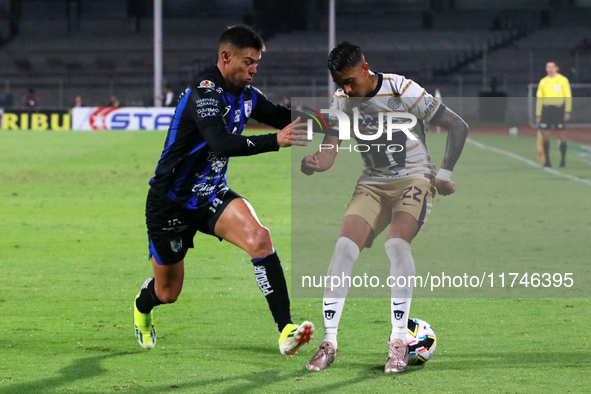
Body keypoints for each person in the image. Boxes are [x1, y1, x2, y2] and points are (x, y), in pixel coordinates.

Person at [133, 25, 314, 357]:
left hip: (211, 194)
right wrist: (276, 141)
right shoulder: (203, 93)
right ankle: (142, 307)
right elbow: (219, 141)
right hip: (170, 202)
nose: (254, 69)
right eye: (248, 62)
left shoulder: (248, 96)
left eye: (257, 63)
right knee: (168, 292)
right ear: (225, 57)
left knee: (260, 238)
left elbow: (285, 116)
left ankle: (286, 330)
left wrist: (334, 117)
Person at [301, 42, 469, 374]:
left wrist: (444, 175)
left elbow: (457, 125)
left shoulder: (401, 89)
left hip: (415, 179)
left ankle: (398, 343)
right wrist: (315, 163)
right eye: (340, 83)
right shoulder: (342, 100)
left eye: (350, 81)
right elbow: (330, 149)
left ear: (365, 68)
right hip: (374, 183)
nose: (346, 90)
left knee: (396, 244)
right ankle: (329, 342)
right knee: (343, 248)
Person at [536, 61, 572, 167]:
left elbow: (568, 96)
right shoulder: (543, 81)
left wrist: (567, 111)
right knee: (545, 135)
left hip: (558, 110)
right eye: (547, 67)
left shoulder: (563, 80)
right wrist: (538, 114)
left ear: (557, 68)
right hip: (546, 110)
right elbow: (539, 99)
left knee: (561, 134)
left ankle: (563, 160)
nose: (549, 69)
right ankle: (547, 161)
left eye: (552, 67)